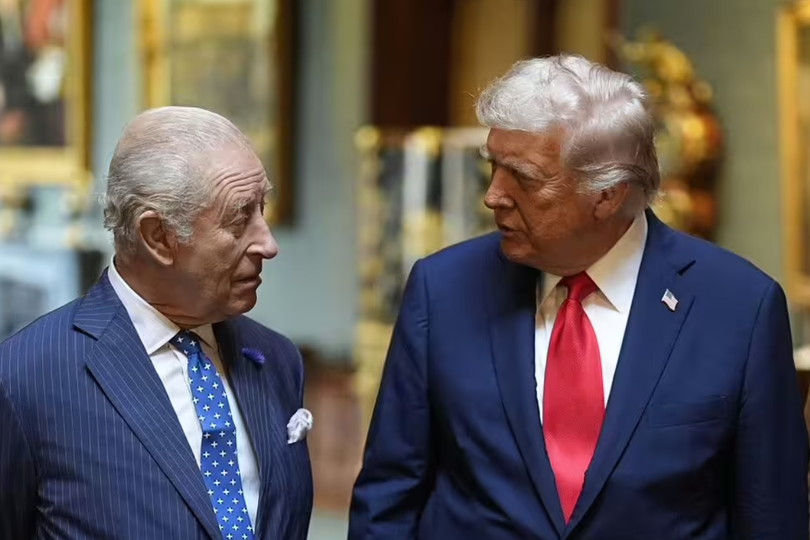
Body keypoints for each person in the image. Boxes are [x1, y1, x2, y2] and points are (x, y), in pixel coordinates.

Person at [348, 54, 809, 539]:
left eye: (522, 178)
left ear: (607, 195)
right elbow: (388, 499)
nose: (493, 196)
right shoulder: (442, 289)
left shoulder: (740, 308)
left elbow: (771, 518)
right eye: (494, 167)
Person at [0, 106, 313, 540]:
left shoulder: (275, 359)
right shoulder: (26, 379)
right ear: (158, 237)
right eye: (240, 218)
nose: (268, 243)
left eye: (262, 209)